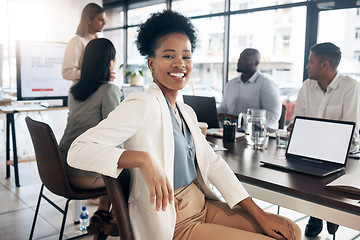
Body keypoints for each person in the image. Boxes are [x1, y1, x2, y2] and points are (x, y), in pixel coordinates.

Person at [67, 10, 301, 240]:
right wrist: (141, 159)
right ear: (151, 63)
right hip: (173, 221)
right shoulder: (142, 103)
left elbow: (215, 165)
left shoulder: (186, 111)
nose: (180, 63)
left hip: (201, 205)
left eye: (186, 56)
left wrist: (260, 216)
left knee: (291, 230)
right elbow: (78, 150)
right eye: (169, 56)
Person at [287, 42, 360, 238]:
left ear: (325, 64)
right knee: (299, 174)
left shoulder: (350, 87)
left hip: (342, 155)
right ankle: (316, 214)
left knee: (328, 173)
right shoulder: (307, 86)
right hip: (308, 151)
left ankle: (327, 213)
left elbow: (351, 134)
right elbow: (297, 123)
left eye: (310, 61)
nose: (307, 66)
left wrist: (310, 133)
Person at [59, 38, 121, 238]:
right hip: (83, 176)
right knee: (129, 173)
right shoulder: (109, 90)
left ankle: (102, 217)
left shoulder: (74, 90)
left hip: (59, 171)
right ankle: (113, 221)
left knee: (109, 166)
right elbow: (115, 136)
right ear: (109, 62)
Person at [218, 48, 282, 130]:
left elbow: (272, 117)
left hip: (256, 136)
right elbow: (223, 109)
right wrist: (216, 114)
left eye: (245, 58)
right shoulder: (231, 84)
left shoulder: (267, 85)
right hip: (231, 133)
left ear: (256, 63)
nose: (239, 60)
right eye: (240, 57)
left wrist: (240, 119)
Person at [62, 3, 106, 82]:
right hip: (83, 91)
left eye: (104, 20)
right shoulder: (76, 41)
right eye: (100, 19)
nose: (104, 23)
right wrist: (93, 74)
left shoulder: (101, 43)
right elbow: (67, 72)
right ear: (89, 20)